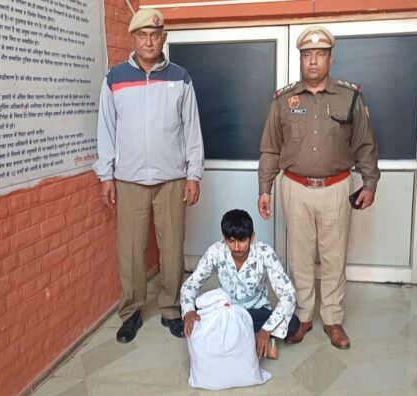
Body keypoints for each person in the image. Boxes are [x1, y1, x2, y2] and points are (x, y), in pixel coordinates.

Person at [257, 26, 380, 349]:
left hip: (336, 188)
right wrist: (265, 188)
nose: (313, 61)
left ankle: (333, 318)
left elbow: (365, 144)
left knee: (333, 256)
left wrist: (369, 182)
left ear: (330, 59)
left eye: (320, 54)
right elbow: (270, 148)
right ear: (300, 59)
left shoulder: (349, 96)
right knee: (299, 256)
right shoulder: (284, 100)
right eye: (307, 55)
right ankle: (303, 315)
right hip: (295, 188)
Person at [93, 8, 204, 343]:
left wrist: (194, 174)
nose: (149, 42)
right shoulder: (115, 78)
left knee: (172, 248)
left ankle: (171, 308)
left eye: (155, 35)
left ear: (163, 38)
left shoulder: (180, 77)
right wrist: (106, 175)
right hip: (129, 180)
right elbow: (106, 130)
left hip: (172, 179)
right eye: (142, 35)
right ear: (133, 38)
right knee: (130, 249)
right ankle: (131, 312)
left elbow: (192, 129)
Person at [181, 209, 300, 359]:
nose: (237, 248)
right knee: (189, 312)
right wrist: (189, 311)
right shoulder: (216, 251)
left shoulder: (265, 252)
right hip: (225, 312)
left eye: (242, 241)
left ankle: (243, 340)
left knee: (293, 323)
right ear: (224, 238)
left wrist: (266, 330)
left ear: (252, 237)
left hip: (254, 313)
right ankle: (252, 341)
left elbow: (288, 294)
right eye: (231, 241)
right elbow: (190, 284)